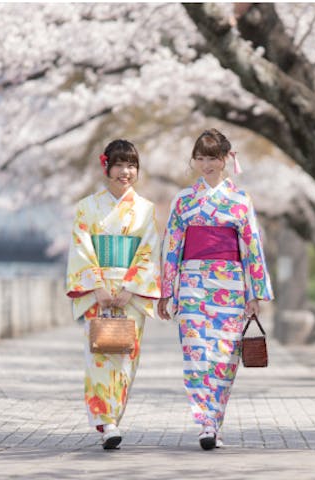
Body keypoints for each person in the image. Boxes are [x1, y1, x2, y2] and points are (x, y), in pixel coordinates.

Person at [158, 128, 273, 450]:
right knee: (196, 355)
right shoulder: (183, 200)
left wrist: (255, 293)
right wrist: (166, 291)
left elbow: (252, 246)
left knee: (224, 358)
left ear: (226, 159)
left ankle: (214, 421)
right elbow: (172, 247)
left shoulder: (239, 200)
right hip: (193, 283)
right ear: (193, 160)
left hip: (231, 284)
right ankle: (204, 422)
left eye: (213, 157)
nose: (206, 164)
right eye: (201, 157)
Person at [66, 139, 161, 450]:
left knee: (125, 360)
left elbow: (148, 250)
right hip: (99, 292)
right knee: (99, 356)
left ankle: (114, 418)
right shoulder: (87, 207)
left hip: (130, 294)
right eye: (119, 164)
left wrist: (130, 288)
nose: (125, 171)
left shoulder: (146, 210)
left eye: (131, 165)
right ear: (106, 166)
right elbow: (82, 248)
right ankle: (106, 422)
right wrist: (98, 287)